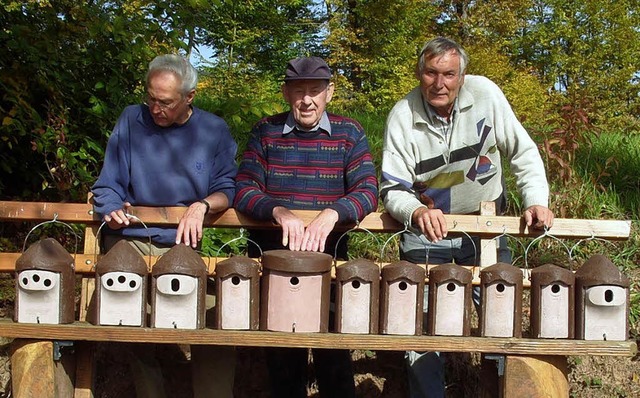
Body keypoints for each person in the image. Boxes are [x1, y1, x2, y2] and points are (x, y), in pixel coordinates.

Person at [380, 37, 555, 397]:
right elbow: (392, 188)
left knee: (499, 318)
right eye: (430, 73)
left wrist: (536, 199)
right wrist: (414, 210)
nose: (439, 83)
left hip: (486, 227)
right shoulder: (403, 115)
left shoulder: (487, 96)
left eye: (448, 73)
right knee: (421, 326)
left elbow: (522, 151)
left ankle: (503, 390)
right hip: (427, 231)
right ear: (419, 72)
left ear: (462, 75)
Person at [91, 54, 238, 398]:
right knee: (124, 307)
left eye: (166, 102)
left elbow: (227, 189)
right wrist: (111, 207)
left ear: (189, 97)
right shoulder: (131, 119)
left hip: (183, 247)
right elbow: (108, 183)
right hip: (130, 241)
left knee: (219, 320)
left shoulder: (213, 130)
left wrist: (202, 206)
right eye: (151, 98)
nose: (156, 108)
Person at [233, 56, 378, 398]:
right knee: (283, 361)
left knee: (334, 357)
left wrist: (332, 214)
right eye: (299, 92)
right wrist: (278, 211)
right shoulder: (265, 131)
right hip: (275, 264)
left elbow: (368, 190)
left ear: (330, 92)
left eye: (315, 90)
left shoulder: (349, 133)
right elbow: (244, 188)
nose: (307, 100)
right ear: (286, 93)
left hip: (330, 262)